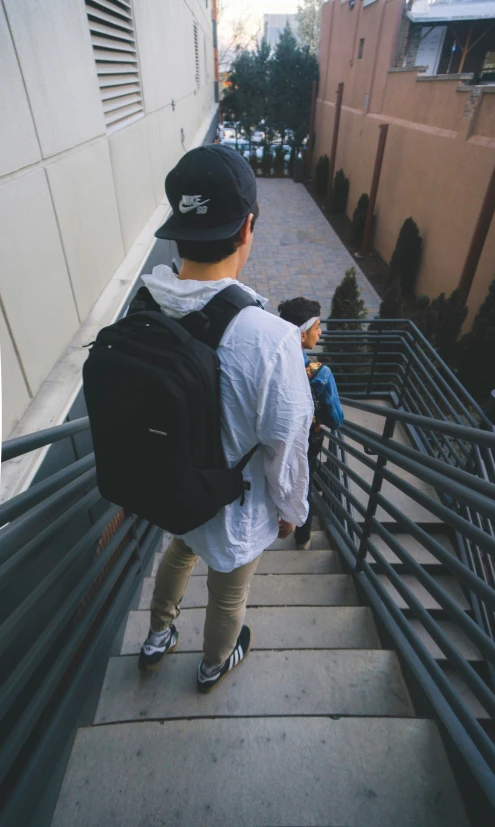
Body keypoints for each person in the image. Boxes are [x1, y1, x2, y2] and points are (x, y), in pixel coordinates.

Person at [138, 145, 314, 693]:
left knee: (180, 549)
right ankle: (214, 664)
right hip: (233, 505)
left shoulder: (147, 303)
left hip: (175, 488)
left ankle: (157, 636)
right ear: (247, 229)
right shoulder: (271, 340)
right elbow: (285, 443)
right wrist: (292, 510)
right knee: (229, 593)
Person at [278, 297, 344, 550]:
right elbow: (335, 420)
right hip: (305, 444)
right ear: (303, 334)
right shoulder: (320, 374)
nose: (321, 332)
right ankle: (302, 537)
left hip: (272, 440)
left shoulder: (270, 363)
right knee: (302, 485)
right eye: (318, 327)